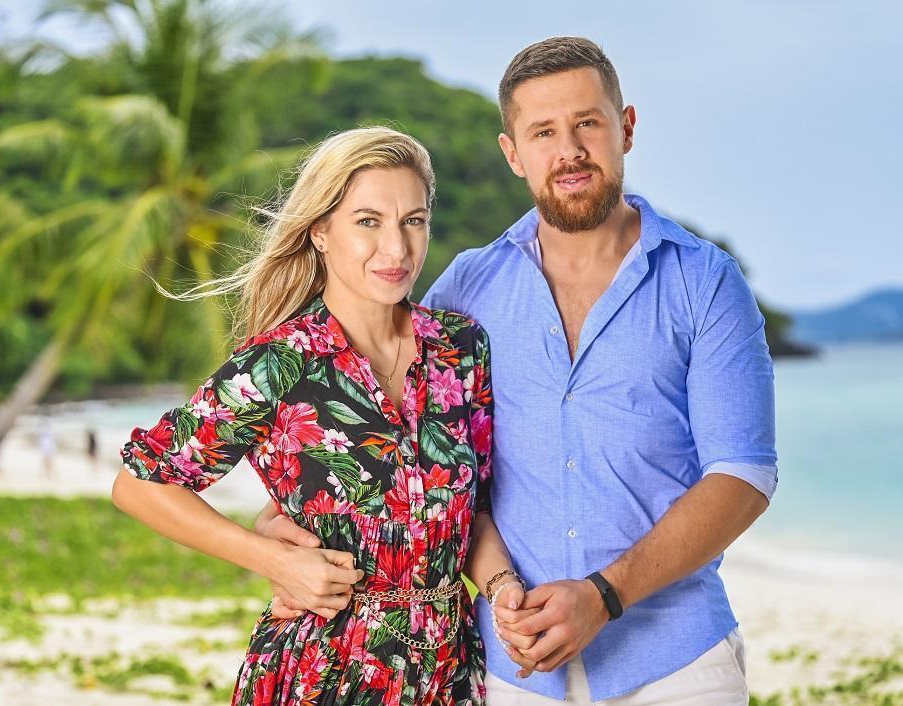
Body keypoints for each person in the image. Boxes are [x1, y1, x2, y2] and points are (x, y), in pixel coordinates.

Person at [257, 38, 777, 705]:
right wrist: (279, 539)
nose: (569, 150)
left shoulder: (705, 282)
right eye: (543, 132)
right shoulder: (465, 290)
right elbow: (389, 448)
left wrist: (605, 595)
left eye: (587, 123)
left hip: (678, 665)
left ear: (625, 128)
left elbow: (743, 473)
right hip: (512, 671)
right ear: (512, 152)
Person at [113, 127, 525, 706]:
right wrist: (274, 559)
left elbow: (472, 509)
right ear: (320, 231)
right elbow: (138, 484)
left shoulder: (461, 349)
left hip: (447, 673)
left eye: (413, 220)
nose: (396, 248)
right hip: (324, 671)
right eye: (367, 221)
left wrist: (502, 588)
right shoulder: (278, 364)